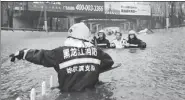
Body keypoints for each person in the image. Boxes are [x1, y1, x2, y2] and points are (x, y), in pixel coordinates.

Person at [9, 22, 114, 92]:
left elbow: (40, 56)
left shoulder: (60, 53)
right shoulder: (97, 52)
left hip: (67, 93)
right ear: (87, 37)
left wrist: (23, 53)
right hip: (92, 93)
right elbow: (109, 62)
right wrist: (92, 69)